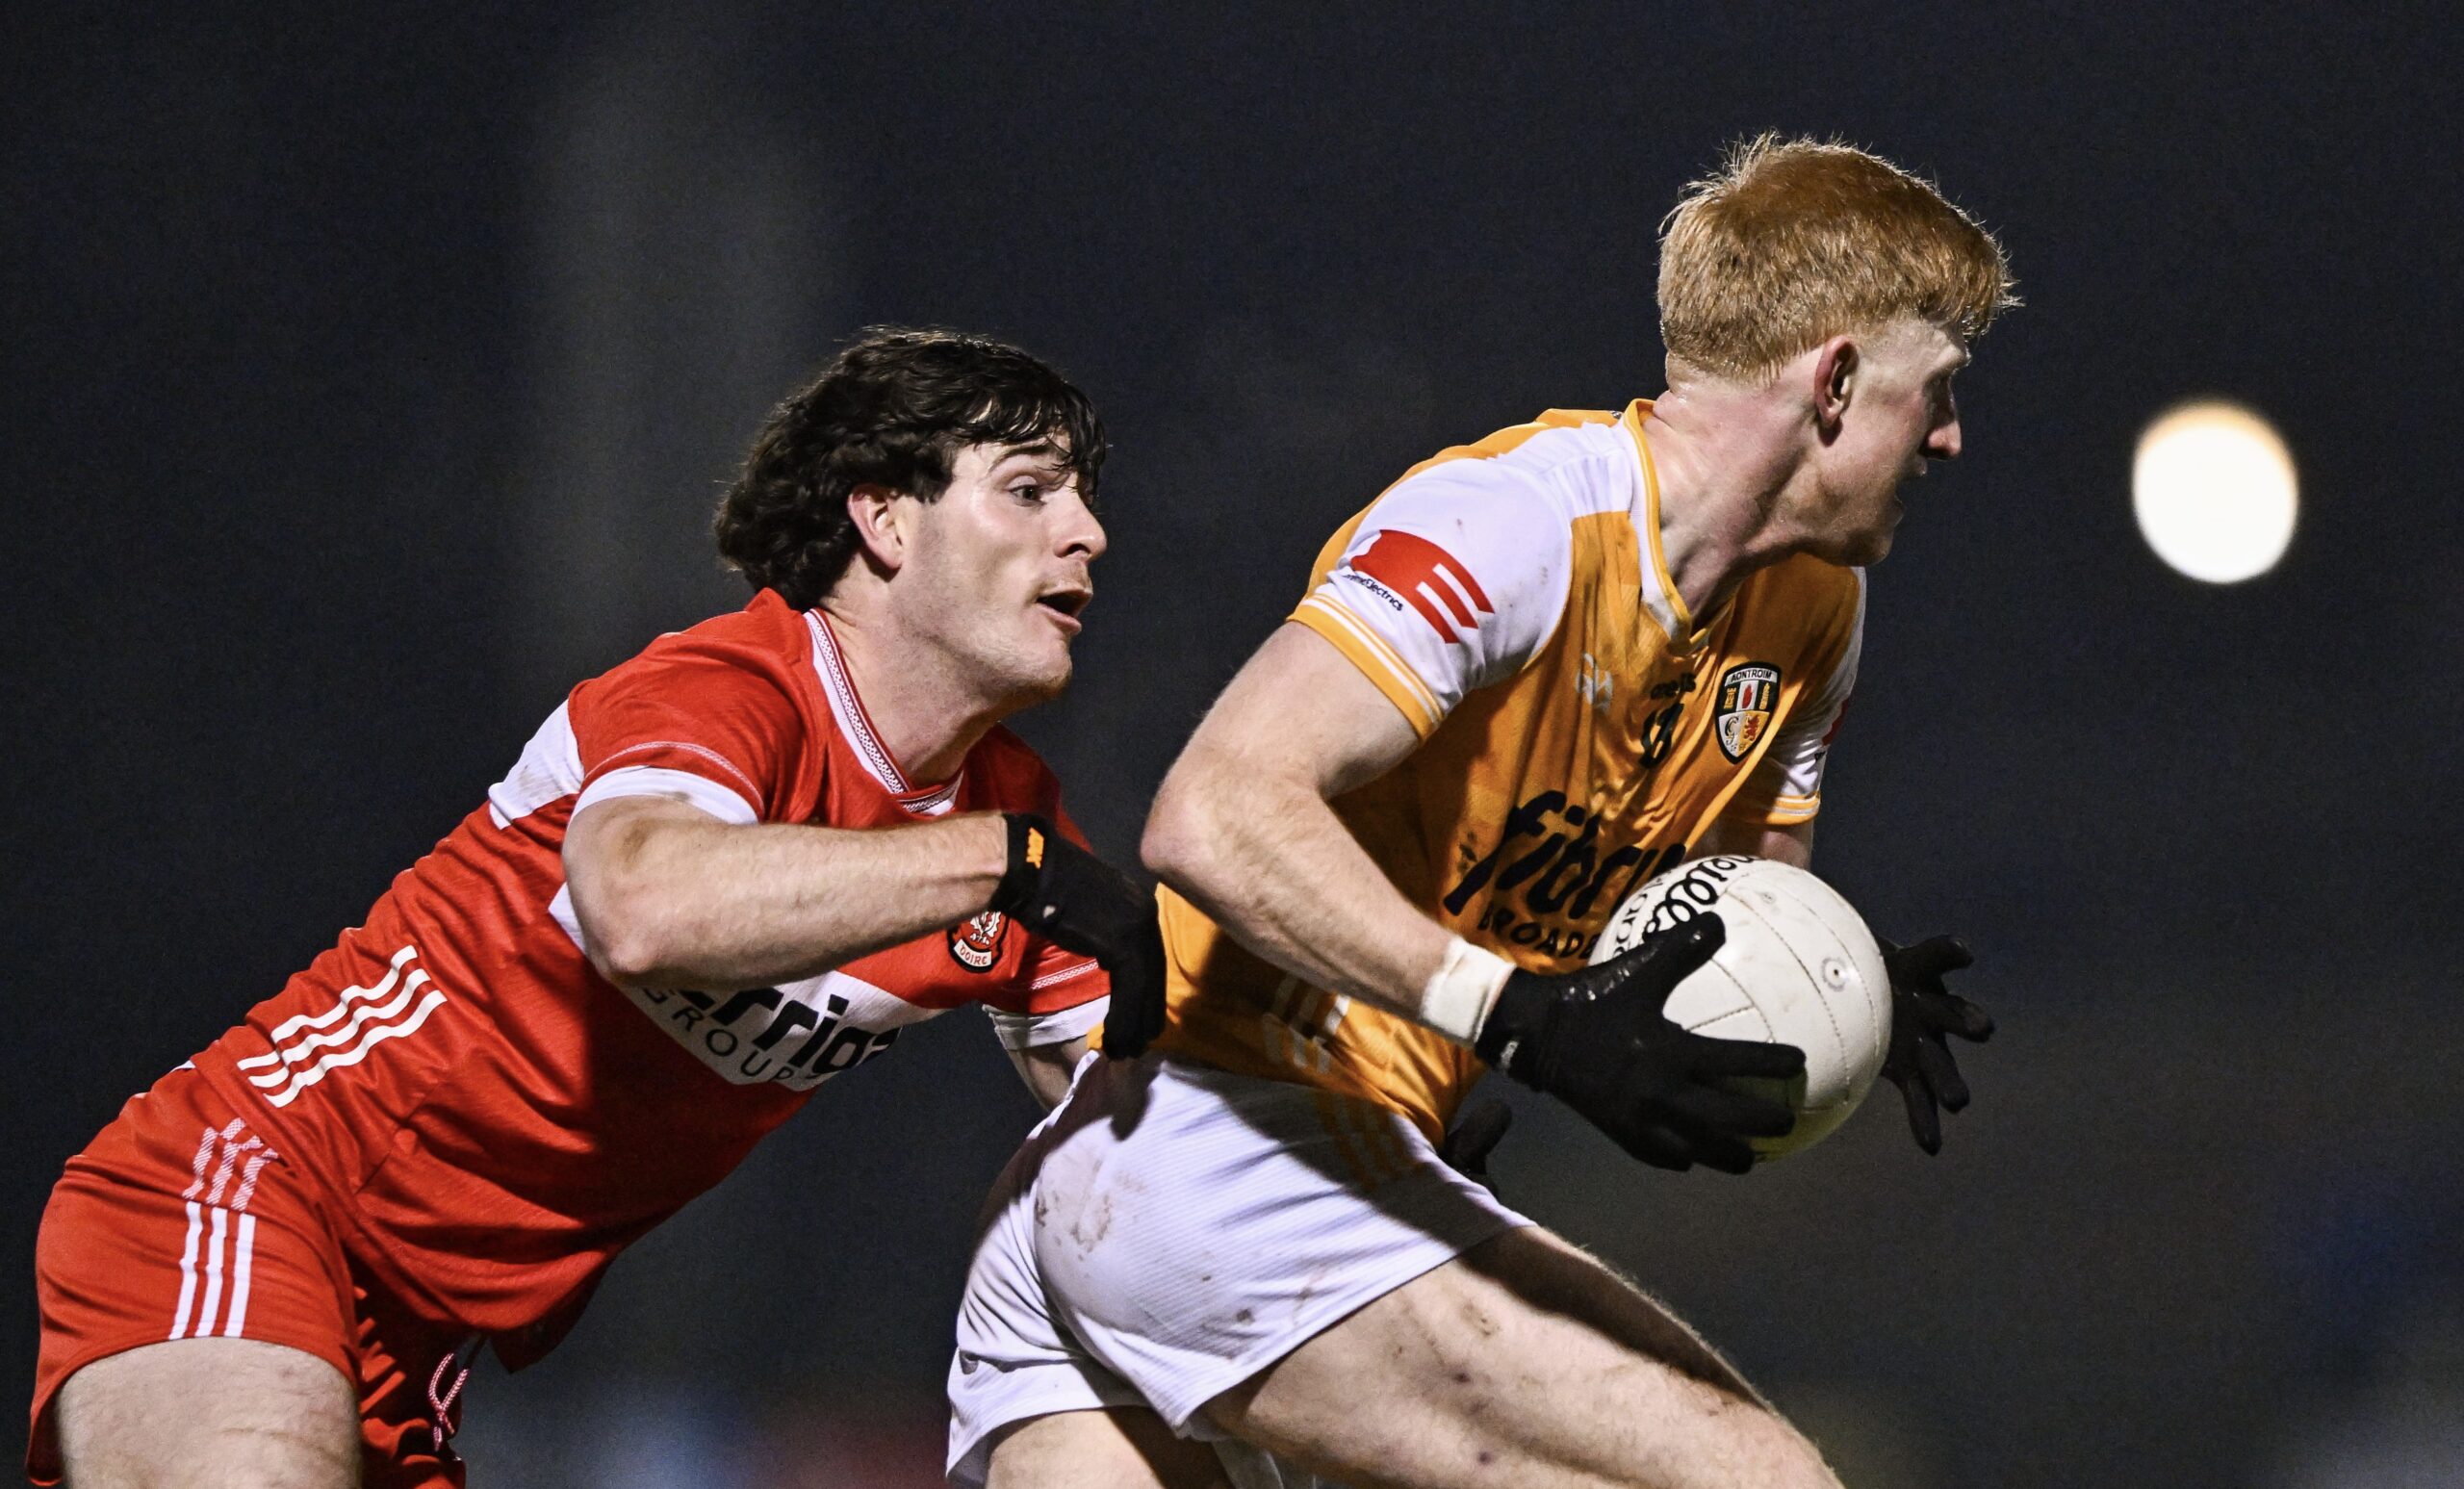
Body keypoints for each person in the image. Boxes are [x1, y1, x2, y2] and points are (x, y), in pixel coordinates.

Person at [947, 136, 2011, 1489]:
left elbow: (1728, 907)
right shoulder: (1518, 524)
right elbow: (1212, 813)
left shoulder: (1814, 608)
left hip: (1147, 1189)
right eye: (1940, 388)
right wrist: (1517, 1016)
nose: (1952, 436)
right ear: (1838, 380)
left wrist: (1840, 984)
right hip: (1221, 1139)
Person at [29, 327, 1166, 1488]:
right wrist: (996, 860)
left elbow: (1144, 1135)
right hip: (255, 1184)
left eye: (1083, 497)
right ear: (883, 520)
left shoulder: (1022, 834)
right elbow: (643, 909)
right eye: (1029, 489)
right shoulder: (730, 689)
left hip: (422, 1351)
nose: (1086, 532)